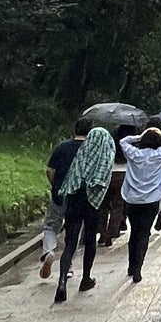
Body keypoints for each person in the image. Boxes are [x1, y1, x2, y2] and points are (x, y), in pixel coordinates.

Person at [53, 125, 116, 304]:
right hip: (92, 201)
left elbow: (73, 176)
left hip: (75, 197)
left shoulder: (82, 155)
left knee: (70, 242)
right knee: (90, 240)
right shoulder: (103, 157)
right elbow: (103, 179)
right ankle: (86, 278)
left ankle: (62, 282)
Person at [118, 127, 161, 283]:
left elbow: (123, 141)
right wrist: (160, 134)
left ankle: (131, 266)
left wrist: (139, 137)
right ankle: (139, 267)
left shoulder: (133, 154)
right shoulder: (159, 155)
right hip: (151, 199)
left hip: (133, 199)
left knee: (134, 232)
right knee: (145, 233)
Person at [40, 122, 87, 280]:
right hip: (79, 195)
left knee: (50, 225)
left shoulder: (62, 146)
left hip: (59, 194)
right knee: (74, 230)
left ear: (75, 130)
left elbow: (49, 170)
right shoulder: (89, 149)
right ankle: (68, 267)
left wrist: (56, 185)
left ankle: (49, 251)